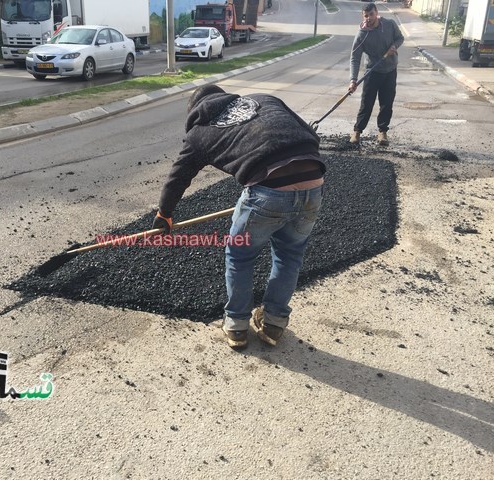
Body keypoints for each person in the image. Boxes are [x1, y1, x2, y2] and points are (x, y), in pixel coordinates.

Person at [152, 85, 325, 349]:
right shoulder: (264, 99)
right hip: (314, 183)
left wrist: (164, 214)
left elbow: (178, 178)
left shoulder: (199, 134)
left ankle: (236, 325)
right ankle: (274, 324)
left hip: (267, 191)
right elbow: (311, 135)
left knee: (240, 255)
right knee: (290, 255)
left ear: (195, 112)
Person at [348, 2, 404, 146]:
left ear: (376, 13)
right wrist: (353, 80)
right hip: (372, 72)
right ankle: (357, 131)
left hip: (390, 70)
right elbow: (355, 58)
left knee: (387, 103)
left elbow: (400, 38)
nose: (368, 18)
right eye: (366, 16)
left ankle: (382, 132)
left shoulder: (389, 24)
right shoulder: (362, 35)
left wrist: (394, 46)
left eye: (371, 14)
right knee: (366, 103)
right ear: (363, 16)